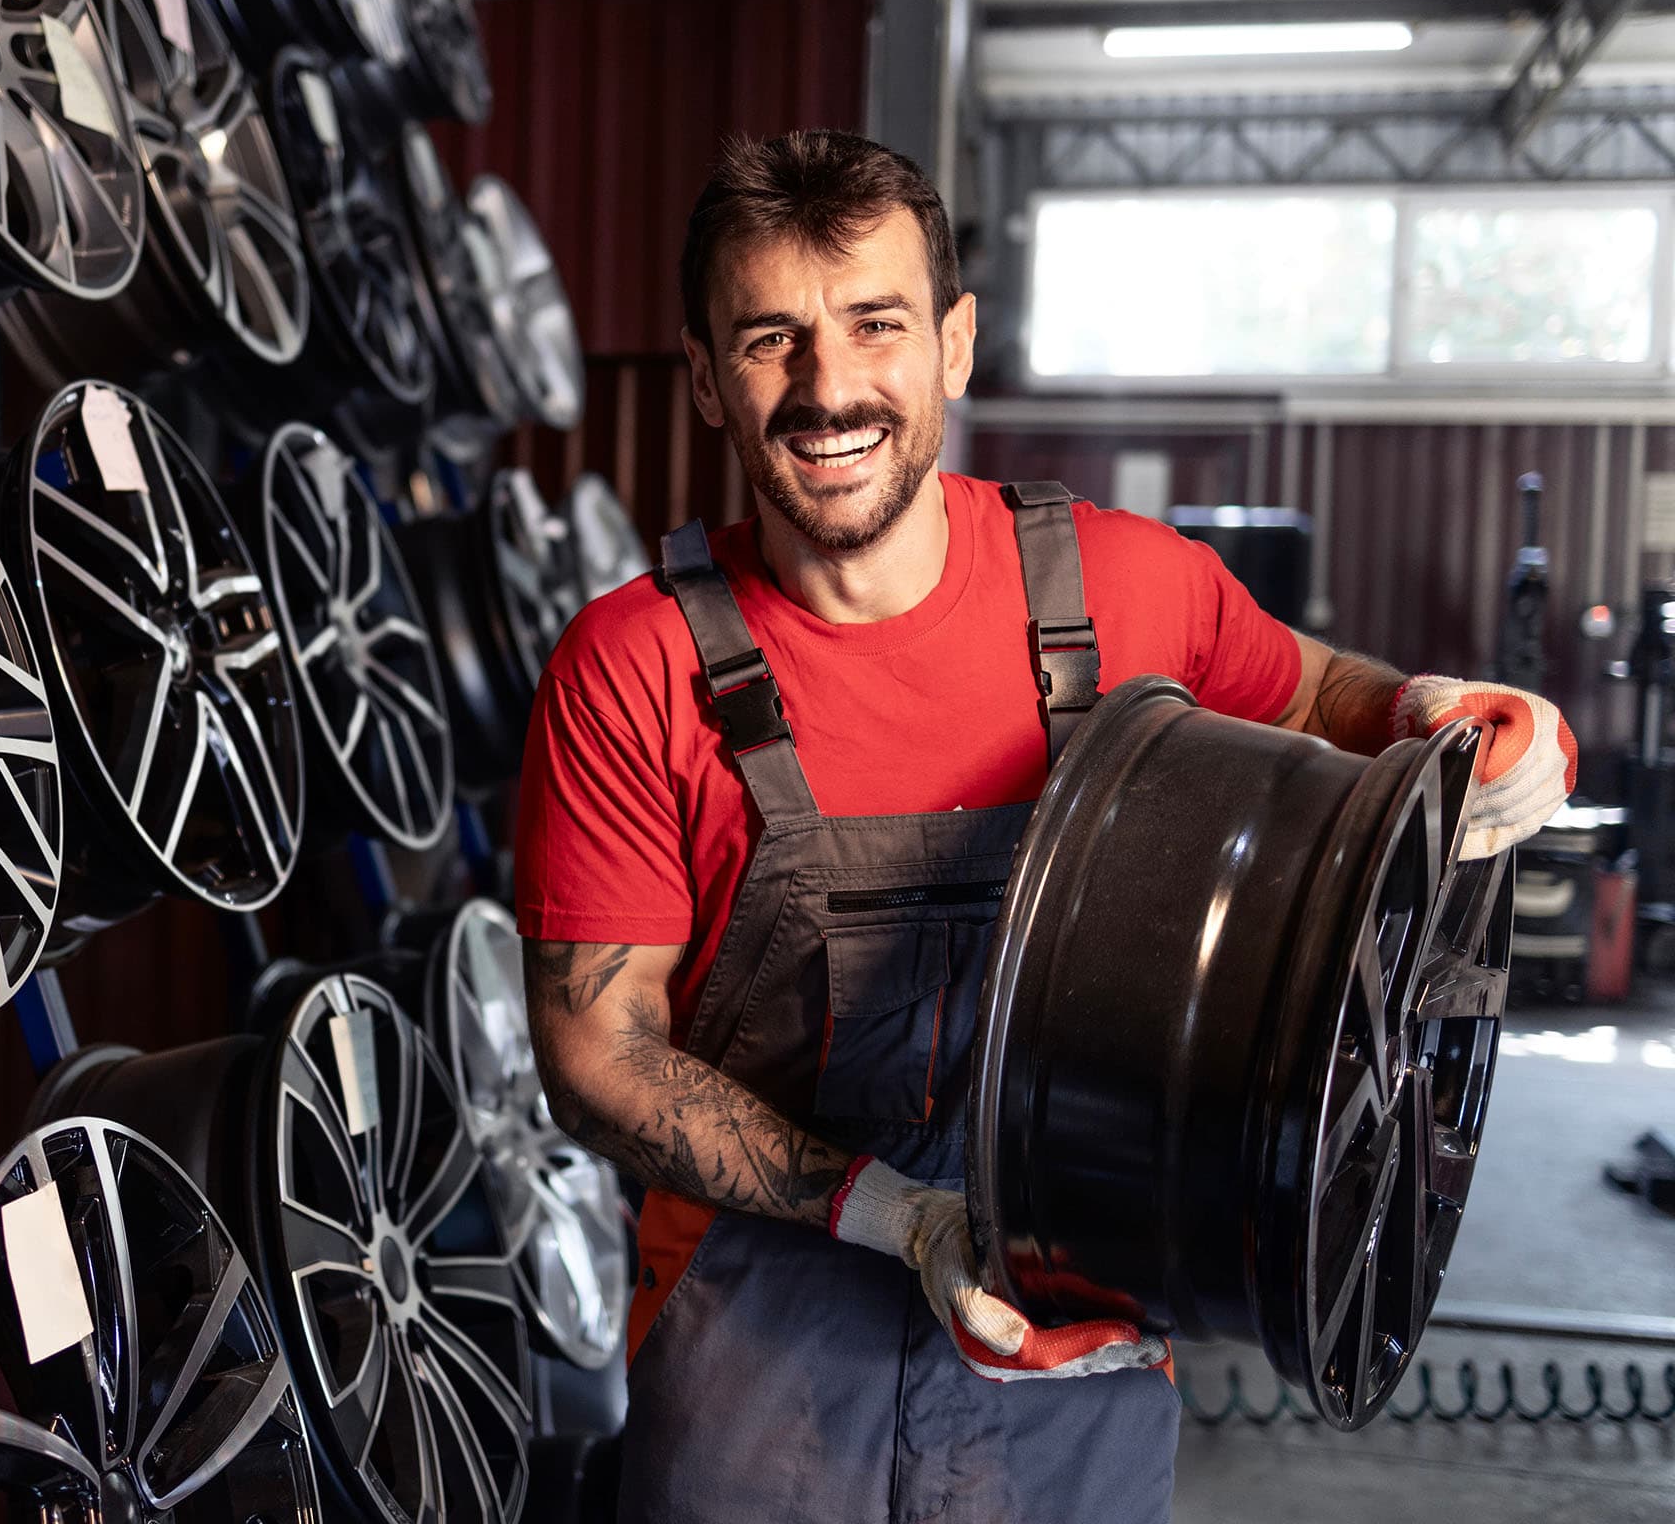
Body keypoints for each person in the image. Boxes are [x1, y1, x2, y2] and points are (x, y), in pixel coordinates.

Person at [514, 129, 1576, 1523]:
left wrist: (1452, 713)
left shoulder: (1125, 589)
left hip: (1074, 1344)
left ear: (954, 343)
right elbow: (599, 1046)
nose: (830, 390)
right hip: (756, 1355)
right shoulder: (631, 666)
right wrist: (901, 1216)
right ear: (705, 378)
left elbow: (1319, 692)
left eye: (875, 326)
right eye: (771, 341)